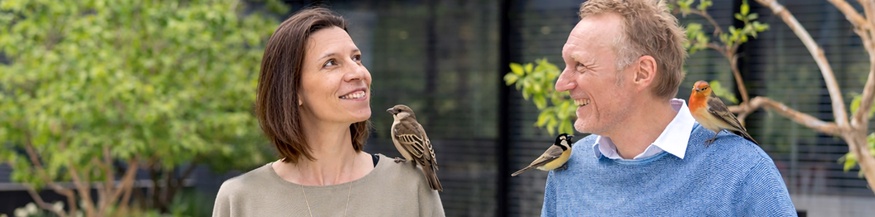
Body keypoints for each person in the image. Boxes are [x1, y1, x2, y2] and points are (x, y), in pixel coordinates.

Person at [541, 0, 796, 216]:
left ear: (642, 73)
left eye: (581, 65)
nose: (561, 84)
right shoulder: (568, 168)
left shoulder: (743, 171)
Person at [212, 7, 445, 217]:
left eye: (356, 58)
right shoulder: (239, 199)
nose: (359, 72)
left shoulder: (412, 185)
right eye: (331, 63)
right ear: (293, 91)